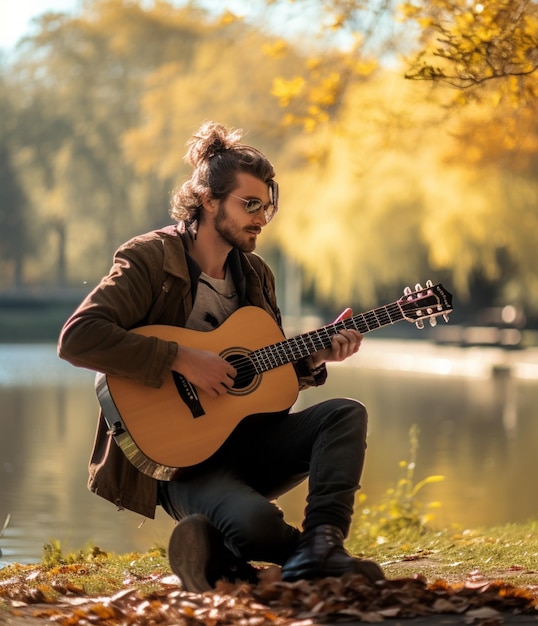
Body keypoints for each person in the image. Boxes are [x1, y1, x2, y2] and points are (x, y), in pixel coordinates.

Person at [58, 121, 384, 592]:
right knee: (252, 524)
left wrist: (315, 359)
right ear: (208, 200)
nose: (260, 218)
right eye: (248, 204)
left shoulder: (255, 274)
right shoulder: (150, 258)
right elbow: (78, 338)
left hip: (250, 444)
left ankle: (315, 542)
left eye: (266, 208)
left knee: (345, 415)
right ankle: (305, 556)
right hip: (180, 462)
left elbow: (258, 373)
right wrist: (181, 358)